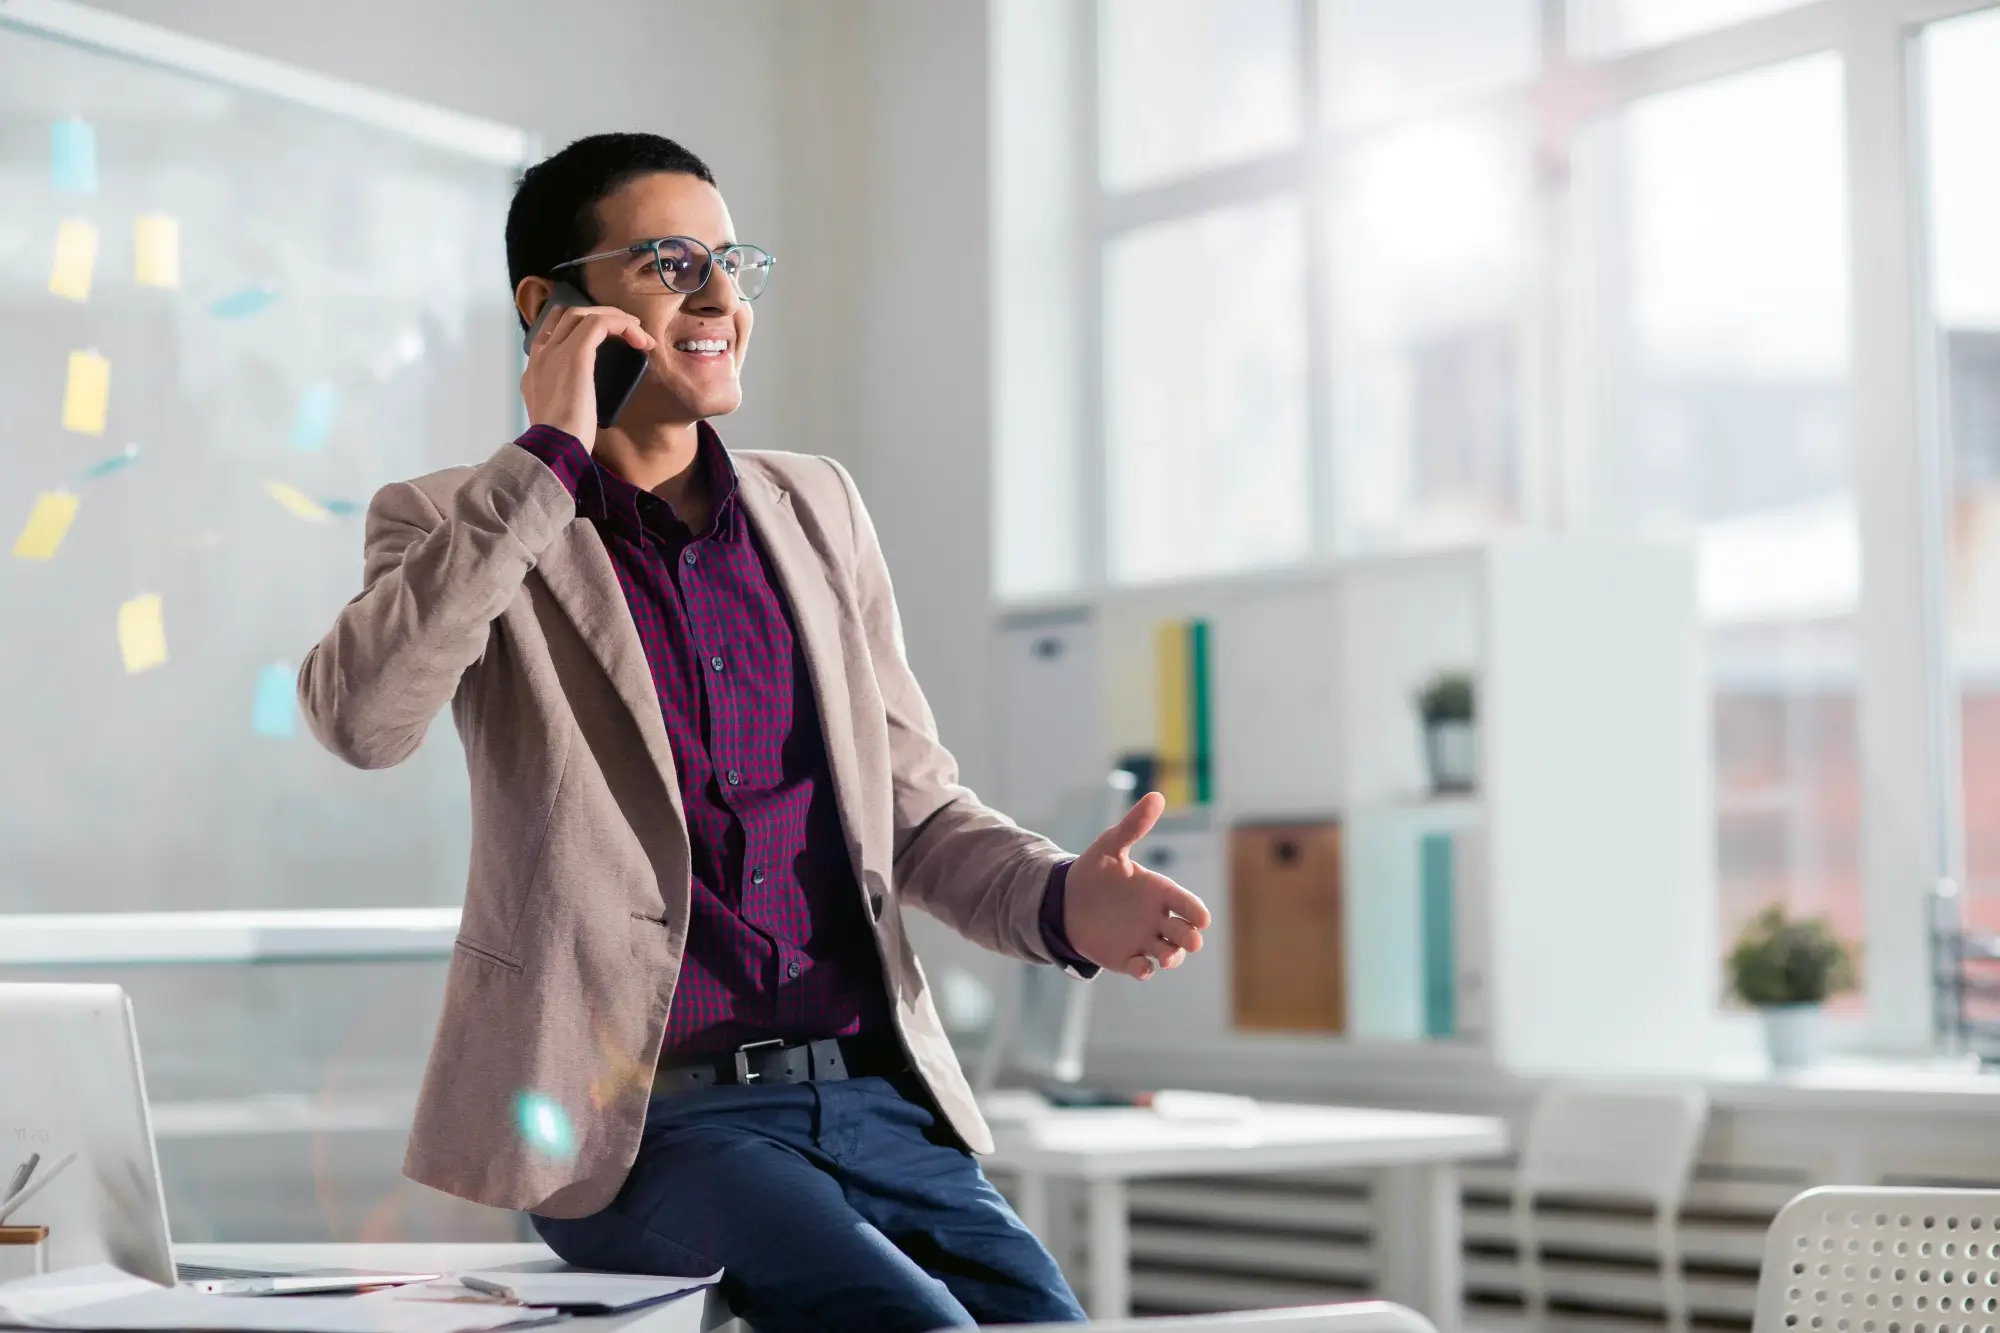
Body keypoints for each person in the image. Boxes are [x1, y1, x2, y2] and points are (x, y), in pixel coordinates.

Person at [298, 132, 1209, 1332]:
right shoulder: (459, 518)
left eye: (731, 263)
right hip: (643, 1128)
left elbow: (913, 808)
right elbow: (362, 720)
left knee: (1045, 1322)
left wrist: (1054, 903)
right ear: (550, 304)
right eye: (672, 262)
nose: (720, 296)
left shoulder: (814, 505)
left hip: (873, 1099)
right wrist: (544, 459)